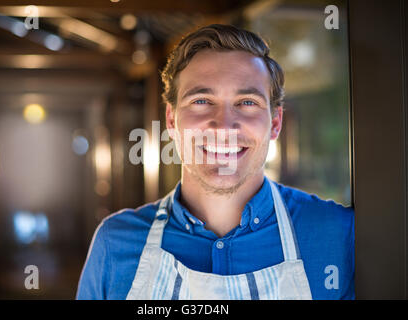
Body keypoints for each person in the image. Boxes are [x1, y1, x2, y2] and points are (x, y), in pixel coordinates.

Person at [76, 24, 354, 300]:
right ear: (172, 120)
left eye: (246, 102)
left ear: (275, 122)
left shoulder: (338, 235)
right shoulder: (115, 245)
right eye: (201, 100)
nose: (223, 126)